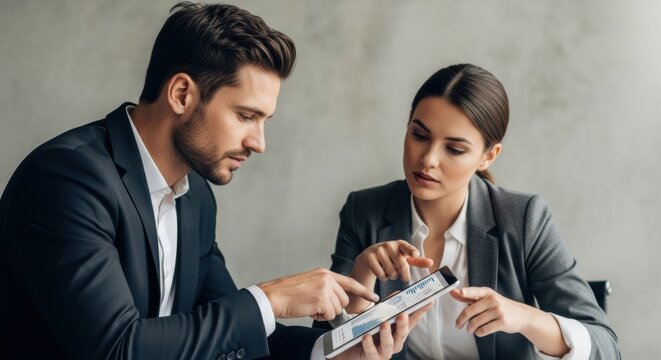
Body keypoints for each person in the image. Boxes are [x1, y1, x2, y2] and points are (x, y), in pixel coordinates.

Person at [0, 3, 429, 359]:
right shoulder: (67, 180)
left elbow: (225, 332)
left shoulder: (195, 194)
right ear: (182, 94)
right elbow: (117, 347)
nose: (259, 142)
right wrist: (271, 297)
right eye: (246, 116)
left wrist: (336, 350)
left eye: (265, 120)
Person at [318, 64, 620, 359]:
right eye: (420, 135)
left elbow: (605, 346)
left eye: (454, 149)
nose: (428, 160)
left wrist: (528, 318)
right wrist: (361, 279)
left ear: (488, 156)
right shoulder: (364, 211)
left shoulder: (524, 218)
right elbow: (319, 345)